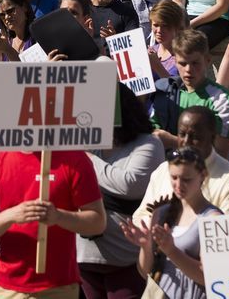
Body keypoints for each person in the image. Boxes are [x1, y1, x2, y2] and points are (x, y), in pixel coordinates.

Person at [0, 144, 106, 299]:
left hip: (59, 286)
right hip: (9, 286)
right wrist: (11, 215)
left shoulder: (75, 159)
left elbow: (98, 222)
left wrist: (58, 216)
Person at [78, 85, 165, 299]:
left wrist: (84, 157)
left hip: (126, 257)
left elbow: (130, 184)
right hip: (85, 257)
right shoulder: (91, 143)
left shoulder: (148, 144)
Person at [122, 146, 221, 298]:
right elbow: (146, 272)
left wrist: (171, 251)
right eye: (174, 178)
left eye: (186, 179)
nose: (179, 185)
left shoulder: (213, 219)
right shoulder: (161, 213)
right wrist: (145, 246)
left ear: (203, 175)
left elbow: (210, 277)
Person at [152, 31, 229, 159]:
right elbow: (150, 132)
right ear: (175, 61)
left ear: (207, 60)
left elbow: (221, 155)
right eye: (183, 63)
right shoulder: (166, 91)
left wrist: (174, 142)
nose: (188, 69)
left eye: (195, 63)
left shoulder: (224, 101)